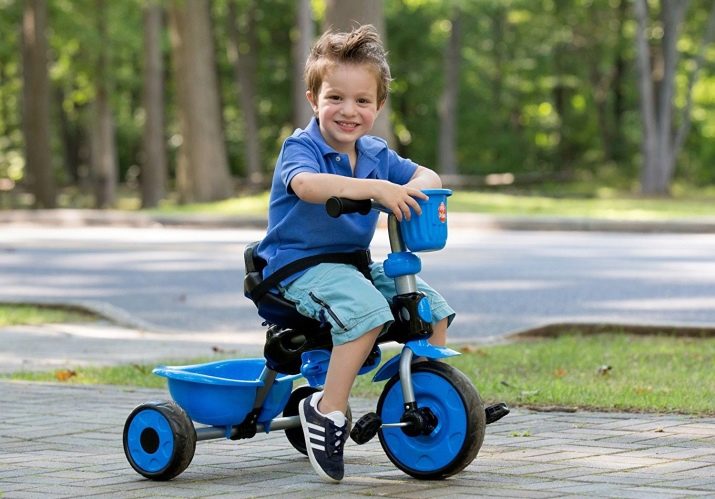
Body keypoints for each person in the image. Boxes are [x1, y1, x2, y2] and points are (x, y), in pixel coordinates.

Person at [256, 24, 455, 483]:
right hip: (295, 269)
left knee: (432, 308)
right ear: (313, 99)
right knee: (366, 313)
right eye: (335, 98)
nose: (349, 111)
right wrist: (375, 189)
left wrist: (414, 191)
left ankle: (423, 391)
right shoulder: (301, 147)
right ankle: (327, 408)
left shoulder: (375, 154)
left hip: (350, 268)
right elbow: (307, 186)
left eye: (362, 100)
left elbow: (427, 174)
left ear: (378, 106)